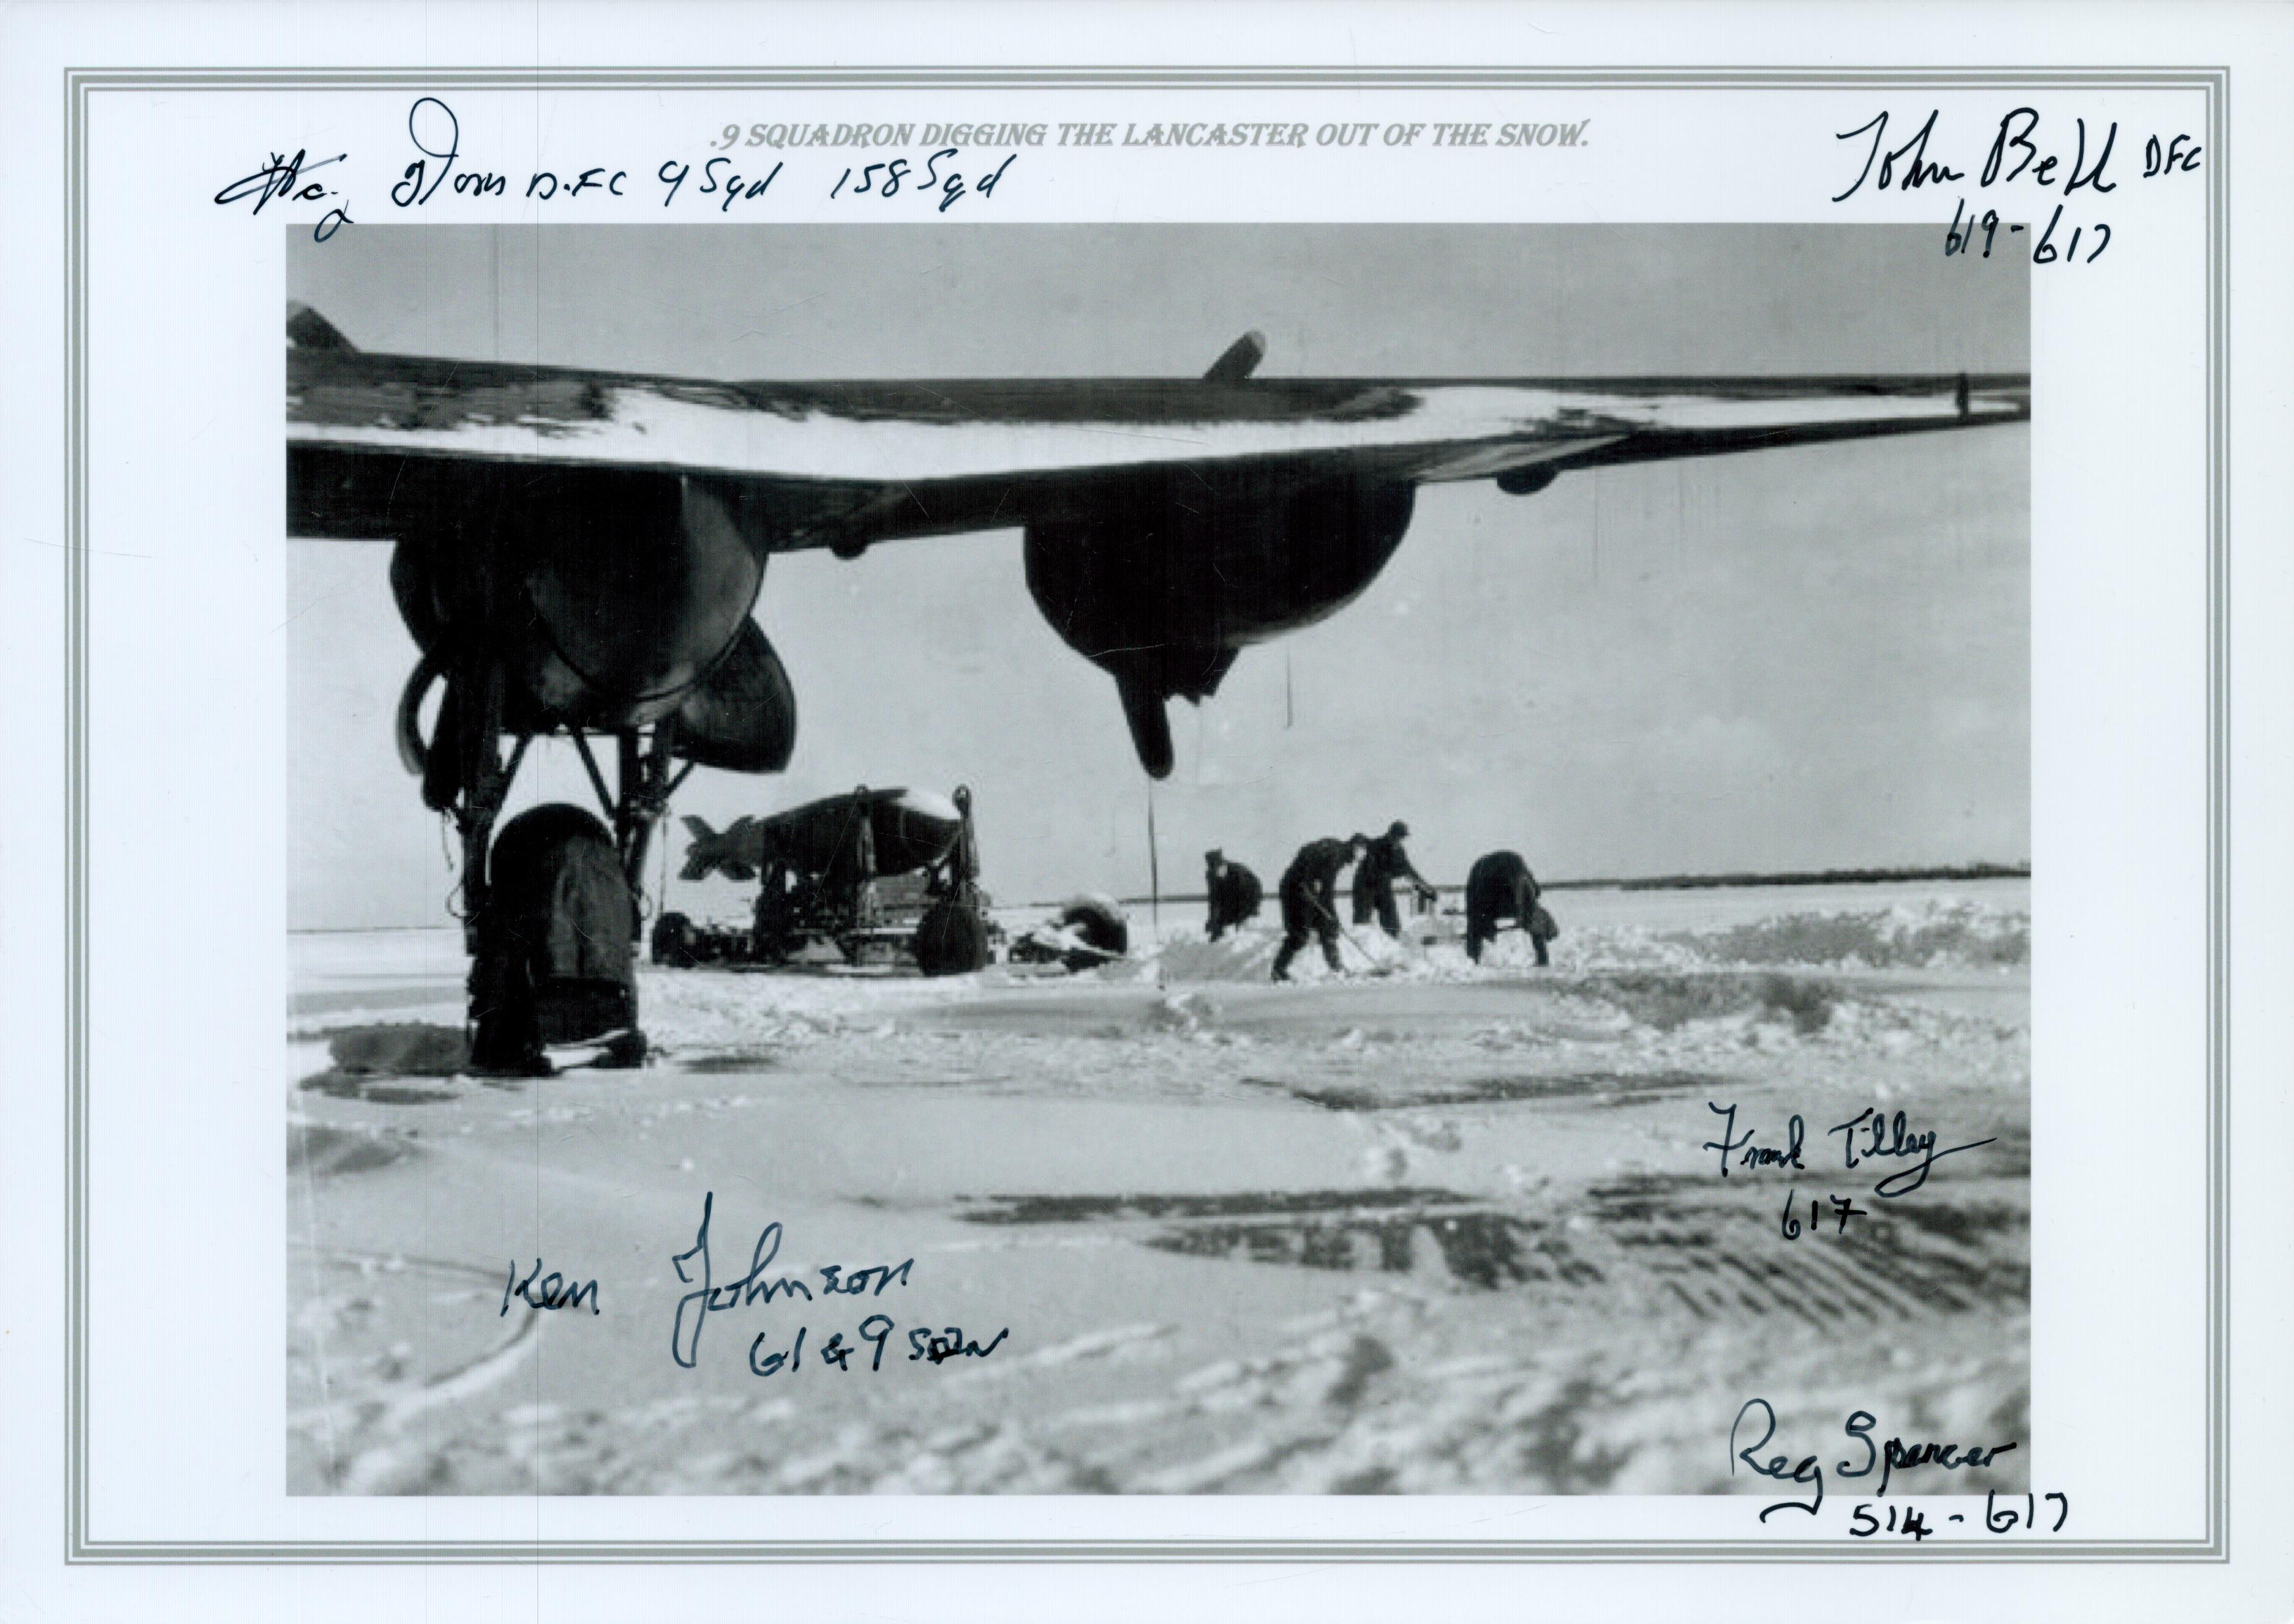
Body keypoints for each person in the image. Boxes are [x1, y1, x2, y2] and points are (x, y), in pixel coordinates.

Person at [1272, 834, 1369, 981]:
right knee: (1300, 934)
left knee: (1328, 927)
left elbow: (1324, 888)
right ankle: (1279, 970)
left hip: (1305, 889)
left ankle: (1336, 968)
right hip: (1296, 890)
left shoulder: (1337, 851)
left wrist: (1332, 916)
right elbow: (1326, 890)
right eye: (1363, 851)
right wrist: (1333, 915)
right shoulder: (1336, 855)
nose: (1363, 856)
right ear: (1356, 847)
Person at [1465, 849, 1555, 966]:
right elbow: (1536, 892)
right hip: (1491, 884)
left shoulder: (1515, 871)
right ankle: (1543, 958)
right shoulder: (1518, 871)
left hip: (1490, 885)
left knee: (1476, 922)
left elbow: (1534, 892)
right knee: (1535, 916)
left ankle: (1473, 959)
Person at [1352, 820, 1440, 937]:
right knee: (1362, 924)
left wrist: (1427, 889)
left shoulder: (1399, 852)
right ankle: (1359, 947)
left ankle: (1393, 946)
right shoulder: (1376, 845)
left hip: (1383, 887)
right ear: (1391, 835)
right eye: (1398, 837)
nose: (1399, 841)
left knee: (1393, 926)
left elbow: (1409, 872)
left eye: (1402, 838)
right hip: (1365, 887)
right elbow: (1361, 844)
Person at [1203, 849, 1264, 941]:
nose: (1214, 869)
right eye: (1212, 867)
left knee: (1241, 926)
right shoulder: (1211, 875)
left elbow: (1252, 892)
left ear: (1222, 864)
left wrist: (1245, 914)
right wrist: (1213, 920)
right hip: (1229, 901)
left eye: (1216, 866)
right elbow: (1214, 899)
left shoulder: (1237, 873)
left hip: (1248, 898)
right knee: (1217, 924)